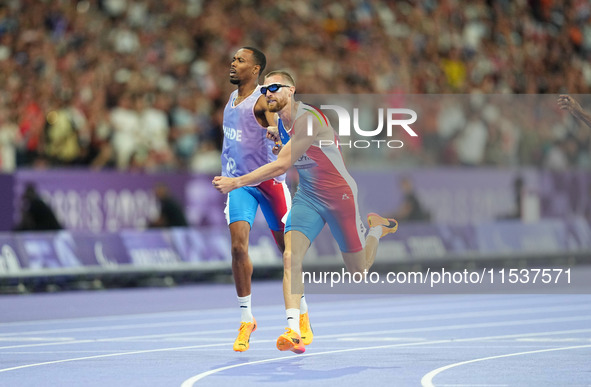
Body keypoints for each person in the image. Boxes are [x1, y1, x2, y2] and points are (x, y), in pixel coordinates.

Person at [213, 70, 398, 354]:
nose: (268, 93)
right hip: (308, 196)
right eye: (264, 90)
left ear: (292, 90)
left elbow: (279, 166)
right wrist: (278, 138)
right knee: (290, 255)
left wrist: (236, 181)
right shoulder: (281, 123)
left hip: (340, 196)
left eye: (274, 87)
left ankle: (374, 228)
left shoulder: (308, 120)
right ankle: (293, 329)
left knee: (358, 271)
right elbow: (283, 148)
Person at [219, 47, 293, 352]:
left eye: (240, 61)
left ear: (256, 69)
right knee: (238, 247)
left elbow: (279, 127)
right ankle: (246, 319)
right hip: (240, 184)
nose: (233, 63)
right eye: (234, 59)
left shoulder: (264, 99)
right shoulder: (232, 98)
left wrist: (277, 136)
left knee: (287, 251)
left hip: (270, 184)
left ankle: (298, 318)